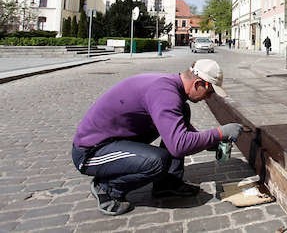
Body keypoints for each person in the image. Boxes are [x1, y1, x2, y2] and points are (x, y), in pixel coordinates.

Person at [71, 59, 244, 216]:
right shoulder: (164, 93)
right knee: (157, 162)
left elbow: (177, 129)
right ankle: (107, 188)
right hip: (91, 153)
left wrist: (209, 142)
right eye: (209, 92)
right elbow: (179, 145)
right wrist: (219, 133)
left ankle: (167, 185)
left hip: (118, 141)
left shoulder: (170, 87)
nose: (209, 97)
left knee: (183, 111)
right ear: (199, 84)